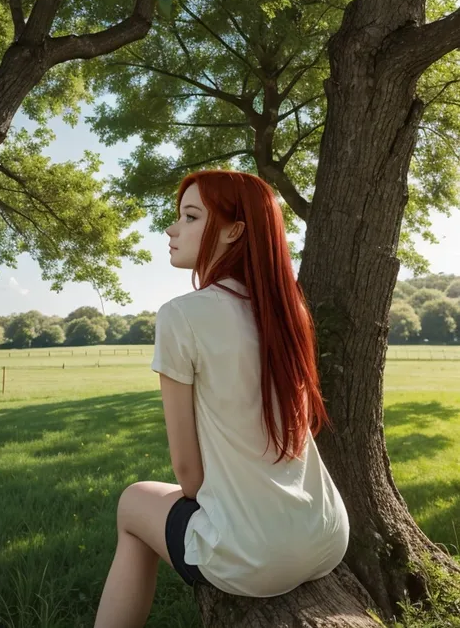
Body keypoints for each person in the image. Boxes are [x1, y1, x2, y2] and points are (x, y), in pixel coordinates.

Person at [94, 169, 349, 627]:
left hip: (256, 559)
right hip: (328, 533)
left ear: (234, 231)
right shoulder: (288, 313)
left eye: (190, 217)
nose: (171, 230)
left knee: (133, 502)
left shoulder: (181, 316)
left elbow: (189, 477)